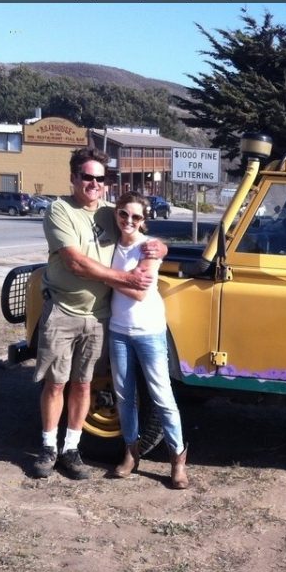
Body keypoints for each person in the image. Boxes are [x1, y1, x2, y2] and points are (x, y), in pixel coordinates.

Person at [33, 148, 166, 480]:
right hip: (63, 310)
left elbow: (140, 229)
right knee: (55, 383)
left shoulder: (112, 212)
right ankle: (48, 447)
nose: (94, 183)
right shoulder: (59, 210)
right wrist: (126, 279)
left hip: (100, 315)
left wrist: (161, 246)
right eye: (87, 177)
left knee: (83, 384)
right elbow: (75, 262)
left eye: (100, 178)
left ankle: (72, 448)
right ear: (74, 178)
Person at [108, 191, 189, 489]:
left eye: (136, 216)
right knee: (124, 396)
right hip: (117, 330)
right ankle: (131, 452)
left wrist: (103, 276)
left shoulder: (149, 249)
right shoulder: (108, 245)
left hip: (149, 331)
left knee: (162, 397)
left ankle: (178, 460)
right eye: (123, 214)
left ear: (144, 221)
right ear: (115, 214)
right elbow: (127, 282)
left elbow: (140, 291)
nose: (128, 221)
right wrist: (118, 276)